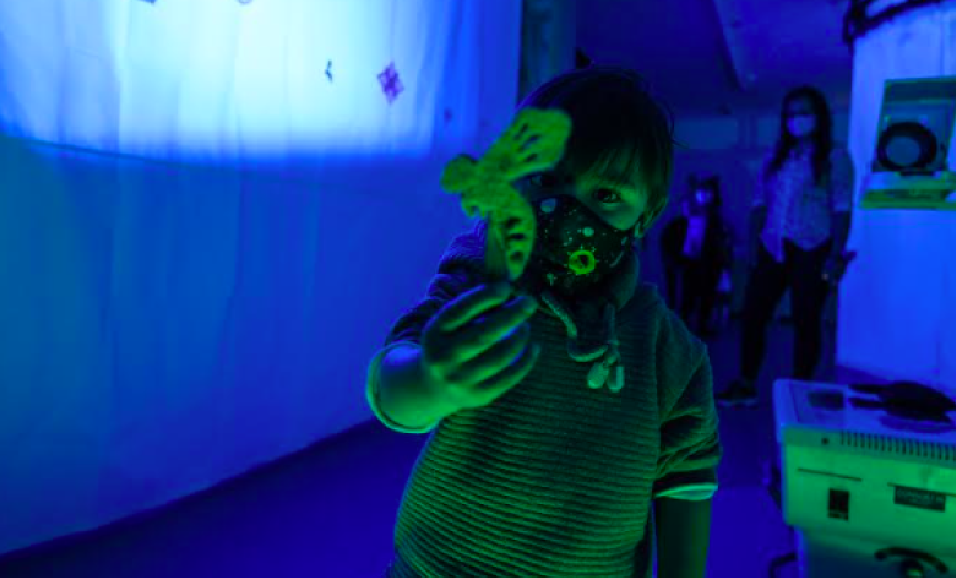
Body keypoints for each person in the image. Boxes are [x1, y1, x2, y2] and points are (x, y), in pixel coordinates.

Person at [367, 67, 721, 578]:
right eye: (548, 181)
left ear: (648, 213)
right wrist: (429, 378)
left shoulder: (669, 350)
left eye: (607, 196)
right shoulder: (480, 277)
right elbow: (391, 384)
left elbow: (687, 476)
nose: (568, 211)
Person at [717, 86, 854, 407]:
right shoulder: (775, 155)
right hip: (773, 246)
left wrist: (835, 254)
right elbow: (758, 202)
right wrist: (752, 246)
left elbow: (841, 207)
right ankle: (746, 383)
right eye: (791, 113)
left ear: (819, 116)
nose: (797, 119)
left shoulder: (834, 156)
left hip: (813, 246)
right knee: (753, 314)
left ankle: (800, 392)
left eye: (804, 112)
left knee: (806, 320)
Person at [667, 176, 731, 337]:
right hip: (693, 259)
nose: (705, 195)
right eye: (702, 191)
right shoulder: (691, 210)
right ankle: (686, 325)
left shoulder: (715, 215)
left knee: (706, 293)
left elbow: (720, 236)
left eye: (708, 191)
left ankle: (701, 325)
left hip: (710, 259)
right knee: (690, 292)